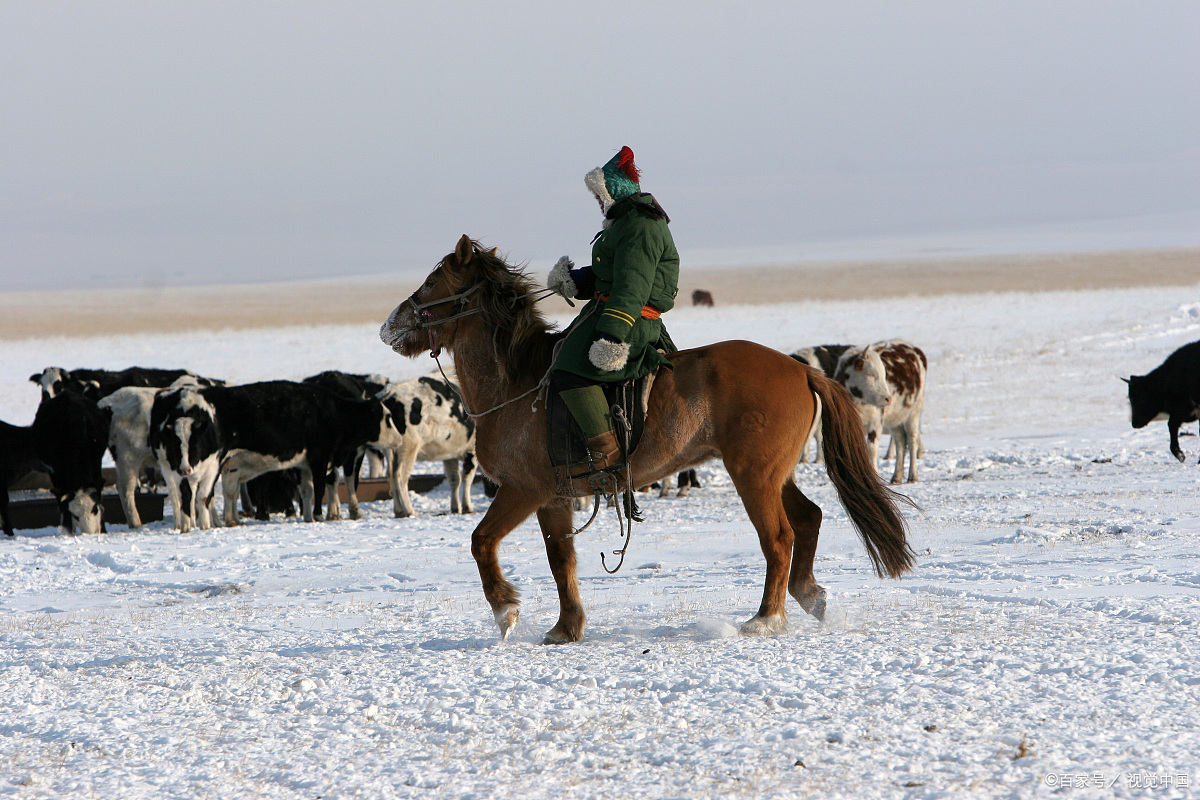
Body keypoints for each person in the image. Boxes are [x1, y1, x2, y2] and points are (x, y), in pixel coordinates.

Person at [546, 146, 680, 483]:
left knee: (568, 370)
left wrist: (613, 336)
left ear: (613, 192)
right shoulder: (626, 224)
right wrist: (576, 282)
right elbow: (615, 274)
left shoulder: (640, 227)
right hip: (611, 311)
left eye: (598, 194)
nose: (596, 201)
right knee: (561, 348)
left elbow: (632, 286)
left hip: (633, 322)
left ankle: (608, 455)